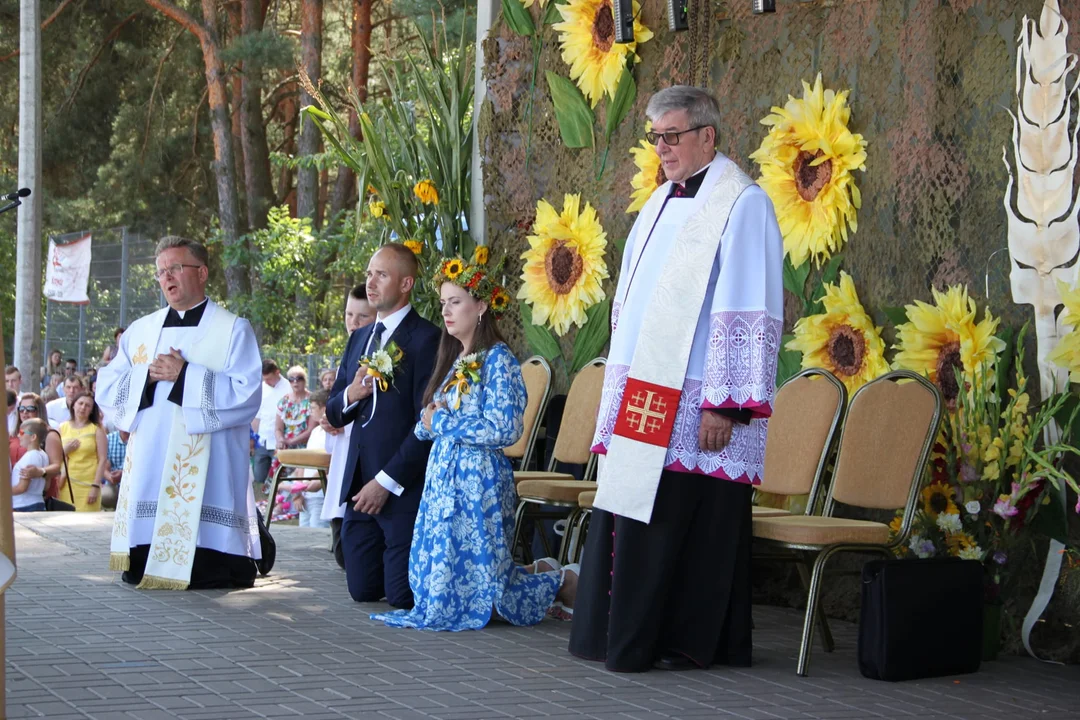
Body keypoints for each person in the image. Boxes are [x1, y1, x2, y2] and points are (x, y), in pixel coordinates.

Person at [569, 86, 784, 673]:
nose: (660, 148)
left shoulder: (742, 204)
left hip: (698, 402)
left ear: (707, 136)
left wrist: (726, 404)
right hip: (643, 393)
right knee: (636, 514)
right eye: (655, 137)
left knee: (683, 522)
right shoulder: (658, 202)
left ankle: (683, 641)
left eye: (671, 135)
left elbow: (749, 305)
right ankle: (624, 635)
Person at [372, 259, 578, 631]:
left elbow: (504, 429)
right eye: (443, 303)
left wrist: (443, 422)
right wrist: (427, 421)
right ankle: (544, 575)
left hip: (477, 480)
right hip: (444, 476)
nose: (446, 311)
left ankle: (557, 581)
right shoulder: (455, 359)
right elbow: (435, 421)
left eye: (455, 301)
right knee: (446, 590)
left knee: (486, 597)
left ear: (481, 306)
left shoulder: (498, 359)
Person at [97, 235, 263, 590]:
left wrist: (185, 374)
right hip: (152, 449)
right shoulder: (140, 330)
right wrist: (148, 376)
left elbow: (246, 394)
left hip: (209, 453)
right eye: (160, 272)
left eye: (175, 268)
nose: (166, 277)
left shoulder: (233, 329)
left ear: (201, 272)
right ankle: (146, 562)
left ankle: (214, 566)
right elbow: (107, 385)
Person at [325, 244, 440, 607]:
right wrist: (351, 395)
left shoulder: (428, 339)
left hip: (399, 488)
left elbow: (426, 426)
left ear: (406, 283)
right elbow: (333, 413)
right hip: (360, 488)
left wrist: (386, 483)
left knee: (401, 596)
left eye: (382, 275)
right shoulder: (359, 337)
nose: (370, 283)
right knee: (361, 590)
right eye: (369, 273)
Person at [321, 284, 376, 567]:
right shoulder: (350, 348)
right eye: (348, 315)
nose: (352, 323)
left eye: (361, 317)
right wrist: (331, 416)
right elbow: (335, 400)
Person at [58, 392, 108, 512]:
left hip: (88, 484)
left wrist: (95, 486)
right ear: (73, 405)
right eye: (80, 403)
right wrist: (65, 450)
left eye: (87, 405)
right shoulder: (62, 427)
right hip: (66, 484)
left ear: (91, 410)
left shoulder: (97, 429)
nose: (83, 408)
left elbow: (102, 459)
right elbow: (55, 456)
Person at [291, 389, 330, 528]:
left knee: (317, 537)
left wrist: (314, 482)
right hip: (306, 496)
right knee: (303, 537)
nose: (310, 412)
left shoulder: (331, 433)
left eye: (313, 408)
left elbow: (328, 463)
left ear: (324, 409)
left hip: (320, 495)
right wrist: (298, 491)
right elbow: (303, 462)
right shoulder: (315, 431)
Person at [14, 393, 65, 499]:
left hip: (39, 495)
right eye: (21, 408)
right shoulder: (16, 433)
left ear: (39, 411)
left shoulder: (50, 434)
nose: (25, 412)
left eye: (30, 409)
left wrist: (40, 471)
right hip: (15, 496)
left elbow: (56, 466)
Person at [267, 365, 312, 483]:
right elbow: (278, 428)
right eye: (292, 379)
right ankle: (278, 499)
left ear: (305, 380)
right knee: (279, 479)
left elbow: (311, 429)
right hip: (286, 446)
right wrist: (281, 440)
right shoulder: (284, 401)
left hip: (305, 447)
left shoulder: (312, 400)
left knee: (300, 481)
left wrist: (292, 441)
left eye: (299, 378)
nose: (295, 382)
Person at [252, 360, 289, 490]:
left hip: (279, 441)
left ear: (277, 372)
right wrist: (253, 438)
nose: (267, 382)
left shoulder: (288, 388)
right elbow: (257, 416)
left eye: (269, 379)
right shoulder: (261, 388)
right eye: (265, 379)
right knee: (259, 476)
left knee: (277, 478)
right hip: (262, 439)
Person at [11, 419, 50, 512]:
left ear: (33, 437)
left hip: (25, 506)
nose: (18, 435)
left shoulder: (31, 456)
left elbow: (22, 487)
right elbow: (46, 485)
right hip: (36, 503)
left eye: (22, 432)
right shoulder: (43, 454)